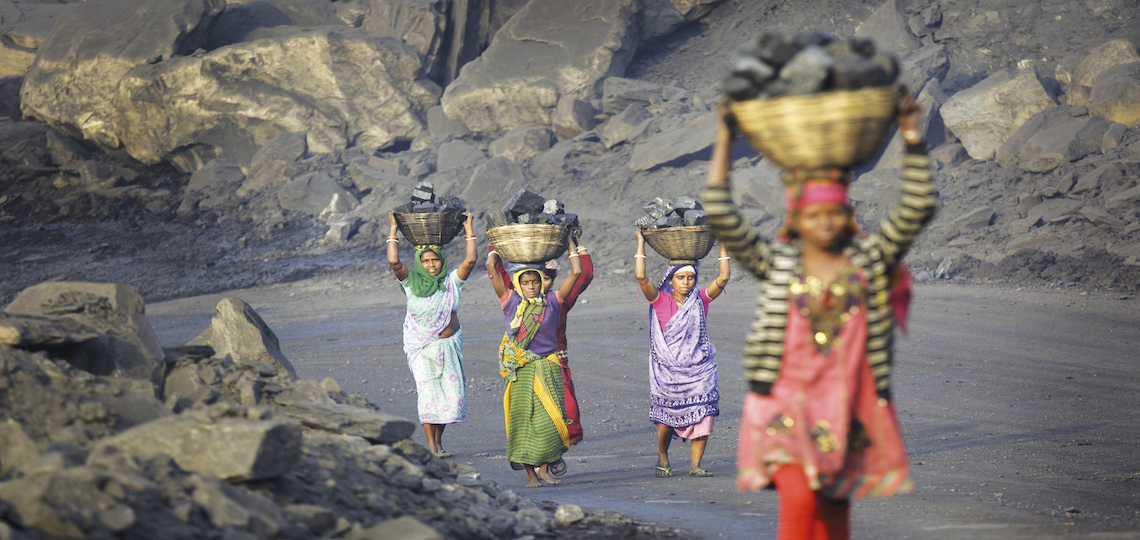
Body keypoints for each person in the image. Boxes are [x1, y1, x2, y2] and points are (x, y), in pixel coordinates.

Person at [702, 89, 935, 539]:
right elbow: (721, 213)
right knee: (799, 501)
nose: (825, 222)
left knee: (833, 511)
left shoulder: (868, 260)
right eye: (814, 215)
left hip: (847, 402)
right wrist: (725, 137)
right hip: (785, 399)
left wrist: (910, 133)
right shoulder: (777, 263)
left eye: (834, 214)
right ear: (796, 220)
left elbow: (917, 208)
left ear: (847, 217)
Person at [634, 233, 731, 478]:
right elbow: (641, 277)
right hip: (668, 373)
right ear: (671, 280)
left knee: (705, 414)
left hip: (699, 370)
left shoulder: (700, 300)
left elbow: (723, 278)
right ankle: (663, 456)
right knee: (665, 421)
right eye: (680, 278)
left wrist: (723, 245)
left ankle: (695, 465)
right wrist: (641, 242)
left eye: (690, 277)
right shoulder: (660, 300)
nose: (686, 282)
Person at [488, 237, 582, 487]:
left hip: (548, 367)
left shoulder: (553, 300)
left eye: (535, 282)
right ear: (518, 284)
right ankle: (530, 474)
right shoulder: (511, 302)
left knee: (551, 420)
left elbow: (577, 272)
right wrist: (496, 246)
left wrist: (571, 246)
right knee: (523, 422)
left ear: (542, 282)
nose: (531, 286)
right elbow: (491, 268)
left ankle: (544, 470)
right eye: (525, 282)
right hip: (521, 370)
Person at [387, 212, 478, 458]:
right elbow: (394, 263)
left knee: (448, 395)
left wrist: (469, 228)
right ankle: (430, 446)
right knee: (428, 394)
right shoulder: (411, 283)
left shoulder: (451, 283)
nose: (430, 265)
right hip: (420, 348)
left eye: (435, 260)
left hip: (447, 346)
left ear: (441, 261)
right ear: (420, 262)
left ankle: (438, 443)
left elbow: (470, 260)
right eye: (425, 261)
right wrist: (393, 228)